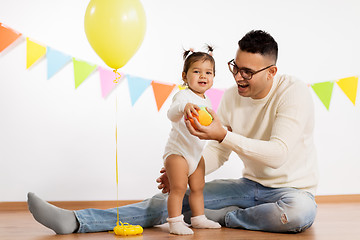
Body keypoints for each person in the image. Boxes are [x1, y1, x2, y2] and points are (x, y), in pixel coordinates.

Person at [27, 30, 318, 235]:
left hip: (293, 191)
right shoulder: (231, 96)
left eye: (248, 72)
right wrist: (189, 168)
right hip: (248, 185)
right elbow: (218, 150)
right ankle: (77, 221)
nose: (238, 77)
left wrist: (221, 135)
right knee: (177, 198)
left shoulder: (293, 93)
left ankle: (229, 217)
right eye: (235, 67)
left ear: (271, 71)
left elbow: (278, 155)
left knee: (299, 215)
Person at [163, 46, 221, 235]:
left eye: (208, 72)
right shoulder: (183, 96)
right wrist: (183, 107)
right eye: (196, 71)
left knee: (198, 187)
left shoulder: (207, 101)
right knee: (178, 188)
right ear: (184, 76)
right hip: (178, 152)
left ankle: (198, 218)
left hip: (196, 154)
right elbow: (171, 114)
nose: (202, 76)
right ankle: (174, 221)